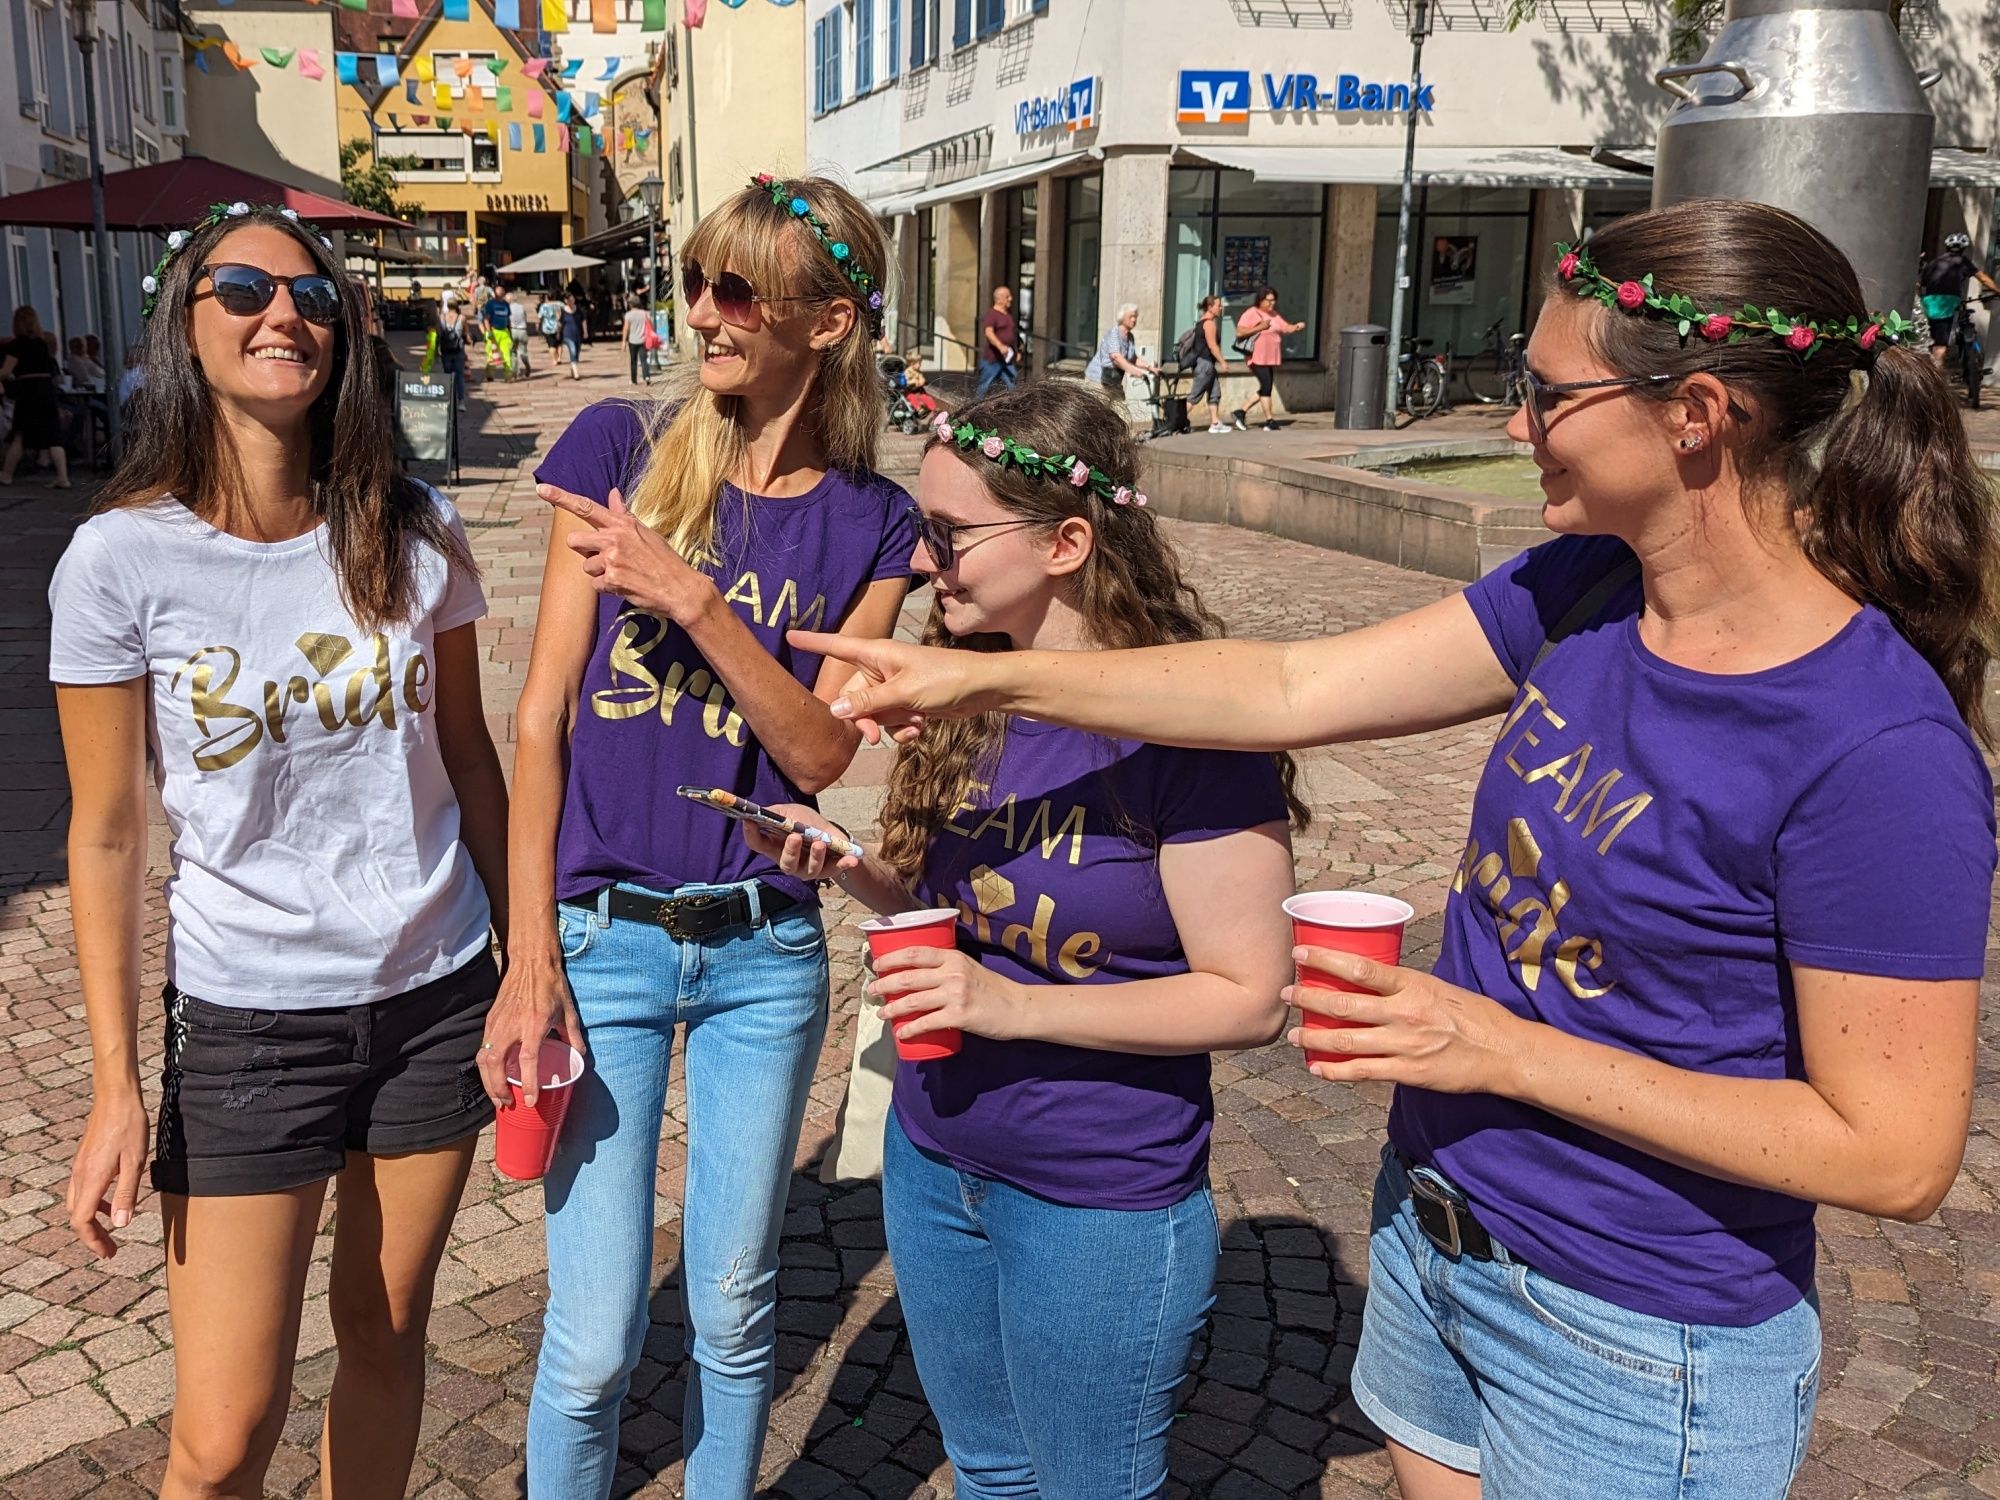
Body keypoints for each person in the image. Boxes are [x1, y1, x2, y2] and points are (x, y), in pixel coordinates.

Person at [798, 198, 1998, 1499]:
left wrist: (1489, 1045)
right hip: (1441, 1244)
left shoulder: (1876, 748)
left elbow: (1894, 1153)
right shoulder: (1584, 591)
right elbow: (1288, 690)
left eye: (1547, 396)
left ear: (1697, 414)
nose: (1513, 427)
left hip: (1640, 1333)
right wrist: (976, 679)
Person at [747, 381, 1302, 1496]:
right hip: (932, 1151)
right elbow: (963, 914)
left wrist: (1007, 1005)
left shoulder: (1189, 730)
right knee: (989, 1471)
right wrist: (855, 870)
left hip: (1094, 1193)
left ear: (1067, 541)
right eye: (920, 530)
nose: (922, 562)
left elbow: (1249, 998)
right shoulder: (972, 683)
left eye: (948, 536)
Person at [52, 203, 508, 1497]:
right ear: (186, 325)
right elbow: (104, 831)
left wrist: (532, 960)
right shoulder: (119, 561)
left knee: (385, 1333)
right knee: (220, 1435)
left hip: (432, 997)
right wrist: (113, 1085)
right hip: (248, 1020)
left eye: (312, 298)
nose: (281, 315)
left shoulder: (414, 532)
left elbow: (471, 759)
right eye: (243, 287)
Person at [497, 171, 915, 1500]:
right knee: (593, 1336)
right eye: (696, 281)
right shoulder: (615, 449)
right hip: (602, 940)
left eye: (737, 290)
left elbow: (821, 752)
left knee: (736, 1310)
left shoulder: (874, 523)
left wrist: (692, 597)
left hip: (760, 953)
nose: (704, 313)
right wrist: (528, 957)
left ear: (830, 321)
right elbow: (542, 722)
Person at [0, 307, 69, 489]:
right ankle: (63, 477)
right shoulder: (42, 343)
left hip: (28, 391)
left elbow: (7, 371)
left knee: (20, 433)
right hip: (45, 389)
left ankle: (6, 474)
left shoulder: (17, 345)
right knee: (52, 433)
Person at [1918, 232, 2000, 369]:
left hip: (1929, 303)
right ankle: (1938, 376)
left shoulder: (1934, 263)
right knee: (1941, 344)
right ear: (1962, 249)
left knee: (1928, 338)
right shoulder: (1962, 261)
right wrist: (1998, 291)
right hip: (1948, 303)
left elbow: (1921, 285)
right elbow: (1983, 278)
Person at [1231, 286, 1303, 431]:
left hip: (1270, 357)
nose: (1272, 304)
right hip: (1256, 357)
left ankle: (1241, 412)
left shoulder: (1274, 314)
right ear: (1260, 300)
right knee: (1266, 386)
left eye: (1273, 301)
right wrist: (1259, 327)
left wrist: (1296, 327)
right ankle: (1269, 420)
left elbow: (1285, 327)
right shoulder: (1251, 313)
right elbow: (1239, 332)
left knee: (1266, 387)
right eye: (1268, 301)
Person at [1083, 301, 1160, 398]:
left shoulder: (1130, 337)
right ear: (1122, 317)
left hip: (1113, 381)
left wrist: (1150, 368)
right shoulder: (1113, 334)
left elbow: (1133, 358)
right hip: (1097, 380)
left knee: (1121, 410)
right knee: (1101, 410)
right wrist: (1134, 371)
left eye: (1135, 317)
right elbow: (1116, 357)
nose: (1134, 319)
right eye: (1131, 316)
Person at [1185, 293, 1233, 433]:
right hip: (1205, 365)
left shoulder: (1201, 322)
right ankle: (1175, 421)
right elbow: (1212, 346)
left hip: (1206, 365)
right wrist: (1223, 362)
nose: (1221, 308)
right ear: (1210, 307)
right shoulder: (1209, 323)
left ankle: (1215, 422)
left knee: (1214, 393)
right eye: (1218, 305)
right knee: (1195, 396)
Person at [975, 284, 1019, 398]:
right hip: (993, 360)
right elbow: (988, 333)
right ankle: (973, 411)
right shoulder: (992, 314)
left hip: (1007, 360)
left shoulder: (1008, 316)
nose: (1011, 299)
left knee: (1013, 386)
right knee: (984, 386)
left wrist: (1016, 351)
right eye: (1007, 296)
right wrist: (1000, 346)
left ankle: (1017, 412)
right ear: (999, 299)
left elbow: (1010, 336)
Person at [484, 286, 516, 380]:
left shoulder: (506, 304)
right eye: (499, 295)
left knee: (507, 354)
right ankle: (490, 374)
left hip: (504, 331)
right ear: (495, 294)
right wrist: (488, 332)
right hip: (493, 331)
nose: (501, 296)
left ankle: (508, 375)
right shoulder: (490, 304)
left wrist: (510, 331)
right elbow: (486, 319)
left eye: (502, 294)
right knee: (492, 355)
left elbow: (508, 318)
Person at [621, 292, 651, 386]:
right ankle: (646, 377)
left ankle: (634, 380)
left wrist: (623, 342)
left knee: (633, 361)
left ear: (630, 304)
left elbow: (626, 328)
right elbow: (650, 326)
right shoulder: (645, 313)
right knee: (644, 360)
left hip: (633, 340)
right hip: (643, 340)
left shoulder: (628, 315)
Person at [560, 293, 584, 380]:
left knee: (577, 353)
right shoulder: (563, 311)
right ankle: (576, 373)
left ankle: (573, 368)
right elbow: (560, 323)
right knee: (573, 351)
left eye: (572, 299)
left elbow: (583, 320)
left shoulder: (579, 309)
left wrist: (585, 332)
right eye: (569, 300)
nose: (571, 301)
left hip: (578, 334)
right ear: (565, 301)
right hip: (567, 335)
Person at [540, 290, 565, 365]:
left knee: (551, 344)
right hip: (559, 326)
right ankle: (559, 358)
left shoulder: (544, 306)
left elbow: (540, 316)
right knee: (559, 343)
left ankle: (554, 360)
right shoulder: (560, 304)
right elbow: (566, 311)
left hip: (547, 327)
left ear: (547, 297)